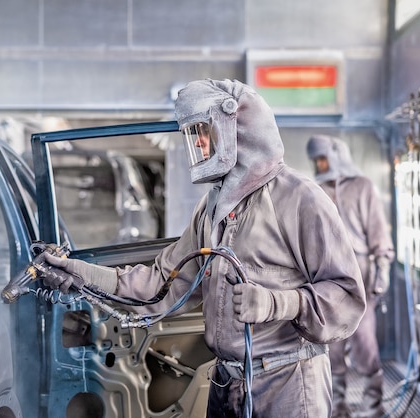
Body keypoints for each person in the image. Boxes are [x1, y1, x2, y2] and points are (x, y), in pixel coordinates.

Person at [42, 79, 366, 417]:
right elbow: (162, 284)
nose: (197, 143)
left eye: (203, 131)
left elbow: (347, 299)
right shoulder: (212, 207)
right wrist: (84, 275)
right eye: (192, 134)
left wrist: (279, 302)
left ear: (235, 128)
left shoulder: (300, 198)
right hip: (227, 382)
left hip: (288, 385)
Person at [306, 135, 395, 418]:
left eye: (322, 159)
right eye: (316, 160)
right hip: (327, 273)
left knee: (364, 342)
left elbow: (379, 232)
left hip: (360, 273)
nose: (319, 165)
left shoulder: (363, 187)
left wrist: (382, 269)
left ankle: (373, 406)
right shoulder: (316, 192)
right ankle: (338, 407)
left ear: (336, 156)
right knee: (332, 346)